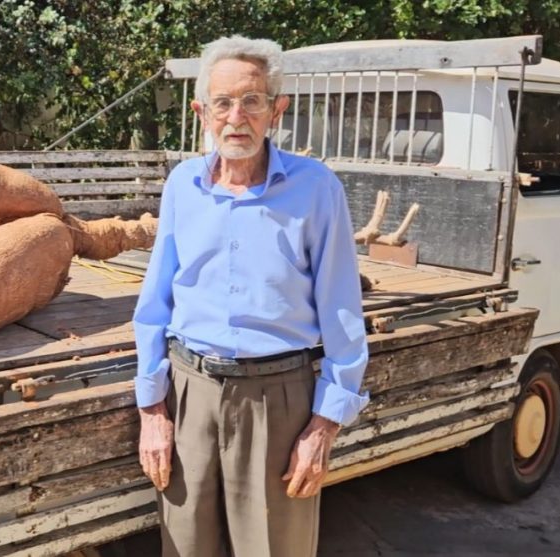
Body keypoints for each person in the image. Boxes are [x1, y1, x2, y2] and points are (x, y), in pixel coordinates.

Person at [132, 35, 369, 557]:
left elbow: (342, 311)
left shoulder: (316, 188)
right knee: (186, 546)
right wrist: (153, 410)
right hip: (189, 393)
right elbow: (154, 303)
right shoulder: (181, 186)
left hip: (279, 400)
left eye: (252, 100)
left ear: (276, 110)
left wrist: (324, 426)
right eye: (222, 102)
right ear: (202, 112)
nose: (236, 117)